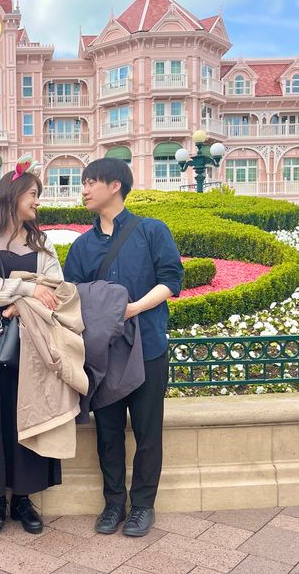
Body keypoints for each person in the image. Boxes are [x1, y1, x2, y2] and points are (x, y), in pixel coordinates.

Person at [63, 158, 183, 537]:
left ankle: (143, 505)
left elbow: (171, 280)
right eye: (83, 183)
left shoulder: (151, 231)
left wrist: (132, 308)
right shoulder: (82, 246)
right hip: (104, 354)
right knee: (108, 432)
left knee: (148, 432)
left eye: (90, 182)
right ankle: (114, 502)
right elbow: (71, 296)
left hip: (148, 347)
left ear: (115, 185)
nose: (84, 190)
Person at [0, 159, 64, 535]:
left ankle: (22, 497)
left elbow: (56, 288)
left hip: (34, 342)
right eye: (33, 194)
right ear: (13, 196)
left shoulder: (42, 243)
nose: (37, 200)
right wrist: (27, 288)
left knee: (29, 416)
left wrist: (21, 301)